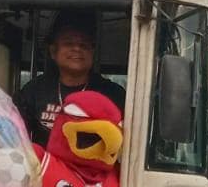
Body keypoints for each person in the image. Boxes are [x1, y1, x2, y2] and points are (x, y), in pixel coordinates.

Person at [14, 11, 126, 148]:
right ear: (53, 51)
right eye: (68, 43)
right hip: (45, 166)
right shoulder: (35, 90)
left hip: (92, 168)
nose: (77, 48)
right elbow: (14, 133)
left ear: (93, 52)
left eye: (84, 44)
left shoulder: (113, 94)